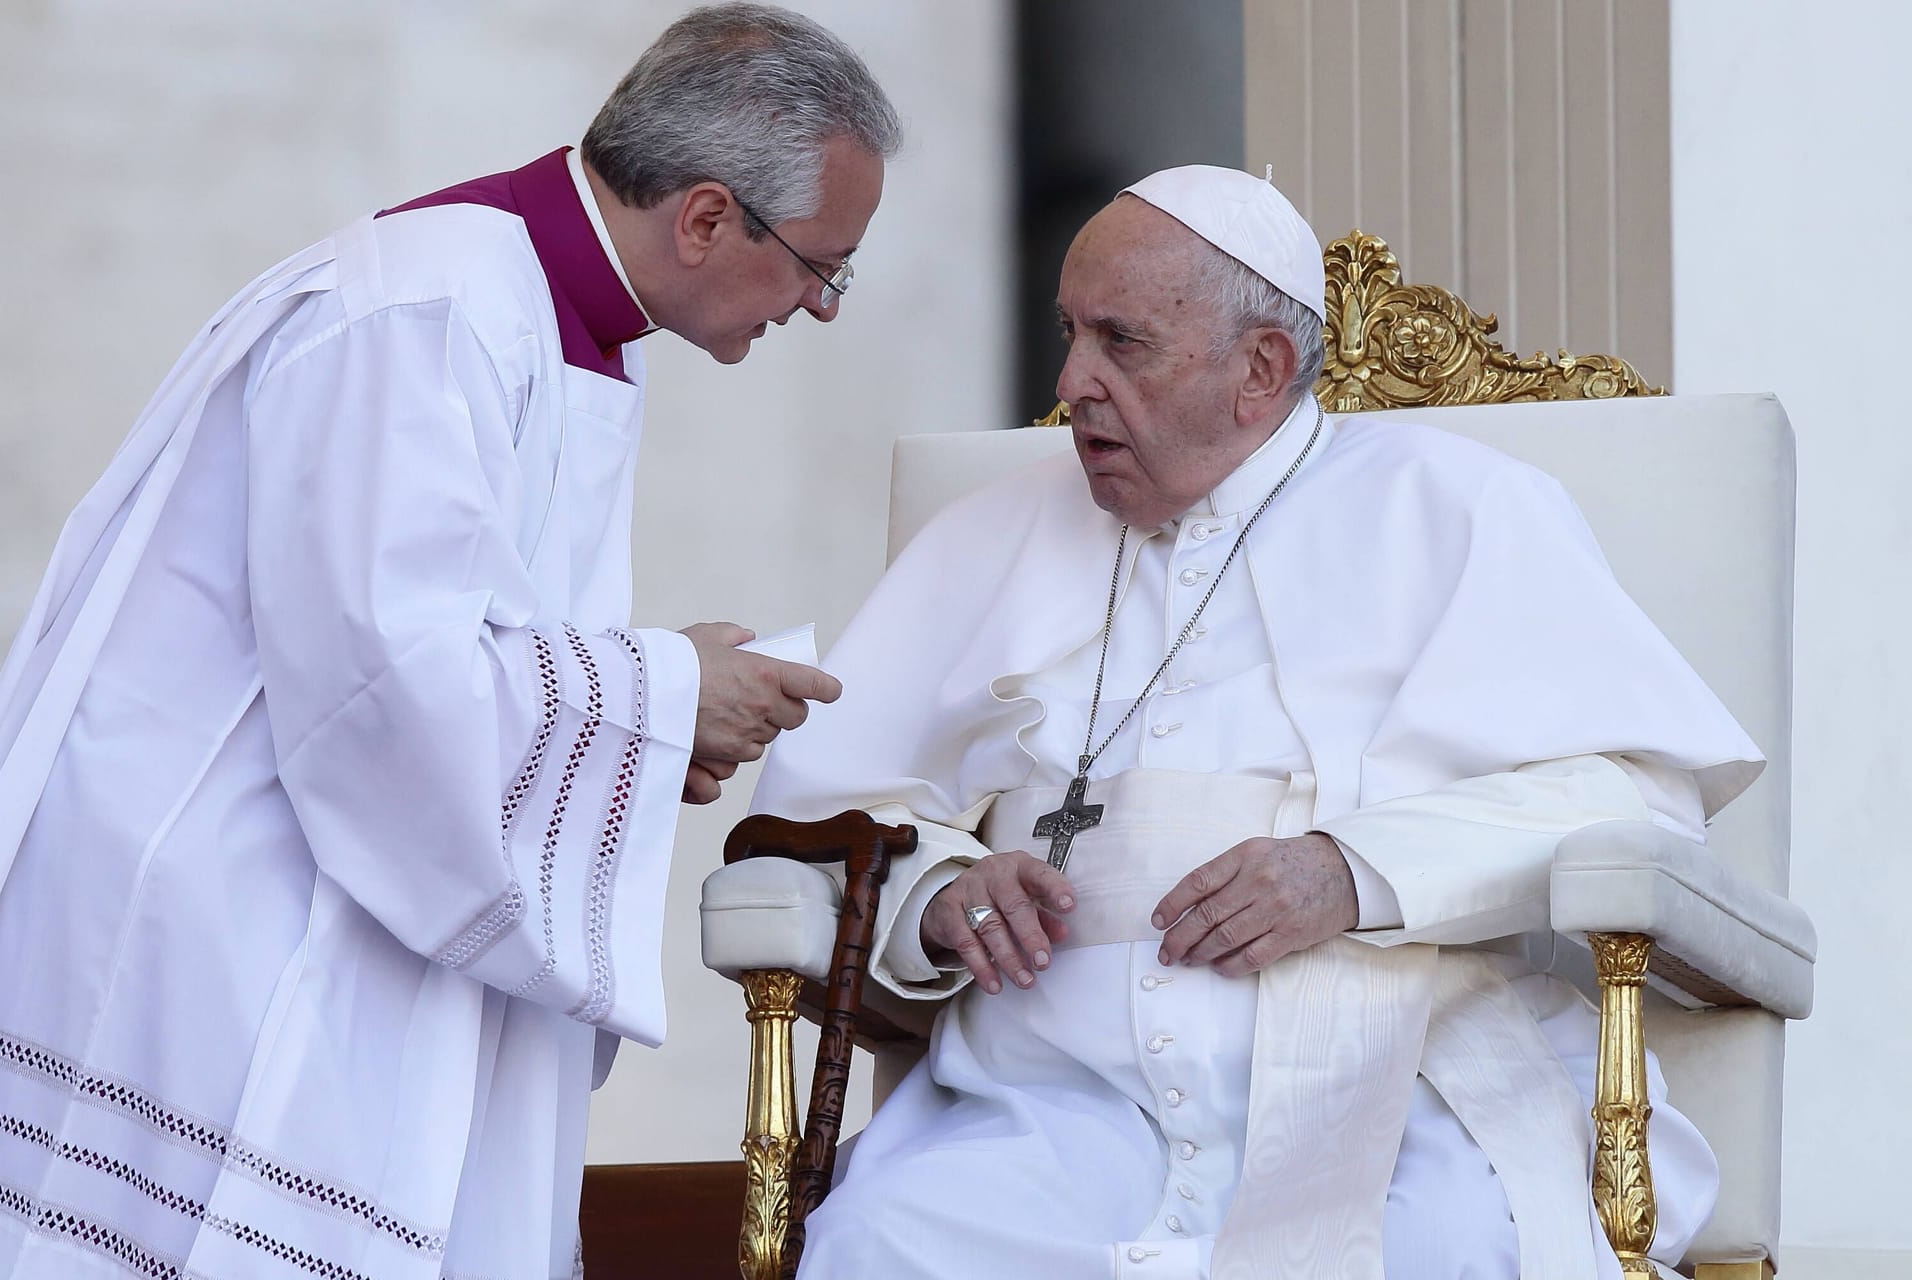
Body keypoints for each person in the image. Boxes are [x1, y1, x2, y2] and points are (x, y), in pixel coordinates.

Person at [0, 6, 896, 1277]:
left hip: (318, 890)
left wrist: (638, 733)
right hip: (230, 919)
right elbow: (385, 683)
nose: (824, 305)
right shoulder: (431, 307)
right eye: (824, 265)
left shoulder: (535, 314)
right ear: (705, 216)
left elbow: (452, 645)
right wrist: (662, 695)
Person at [747, 165, 1762, 1280]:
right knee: (887, 1241)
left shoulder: (1453, 504)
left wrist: (1354, 869)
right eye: (1070, 332)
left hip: (1391, 1076)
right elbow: (827, 807)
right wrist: (939, 891)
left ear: (1260, 371)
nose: (1071, 382)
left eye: (1121, 342)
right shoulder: (989, 534)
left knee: (1444, 1246)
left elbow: (1642, 794)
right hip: (1051, 1092)